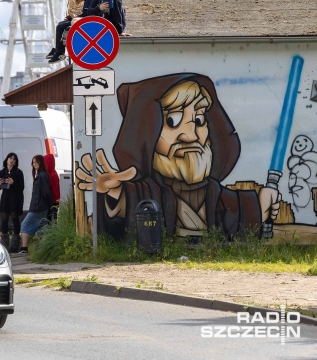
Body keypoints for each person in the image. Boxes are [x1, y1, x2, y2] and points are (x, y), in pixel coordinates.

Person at [74, 73, 281, 241]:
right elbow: (124, 208)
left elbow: (238, 211)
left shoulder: (219, 197)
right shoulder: (145, 193)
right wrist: (114, 194)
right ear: (147, 133)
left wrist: (260, 204)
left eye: (199, 119)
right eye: (172, 121)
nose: (190, 135)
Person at [19, 155, 53, 254]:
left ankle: (24, 248)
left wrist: (44, 204)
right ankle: (43, 249)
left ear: (41, 162)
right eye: (33, 162)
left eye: (36, 162)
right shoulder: (43, 175)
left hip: (37, 207)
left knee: (25, 225)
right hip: (42, 207)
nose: (35, 164)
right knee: (42, 227)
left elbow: (45, 192)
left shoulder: (41, 176)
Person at [0, 153, 25, 252]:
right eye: (10, 158)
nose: (12, 160)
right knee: (3, 219)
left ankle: (15, 243)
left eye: (14, 159)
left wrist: (13, 183)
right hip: (5, 198)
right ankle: (4, 243)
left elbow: (22, 187)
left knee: (15, 218)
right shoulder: (1, 172)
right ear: (7, 159)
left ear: (16, 162)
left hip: (15, 198)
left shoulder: (18, 172)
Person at [44, 154, 61, 221]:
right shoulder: (51, 173)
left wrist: (56, 199)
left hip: (53, 201)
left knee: (52, 219)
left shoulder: (52, 175)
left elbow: (55, 189)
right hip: (52, 201)